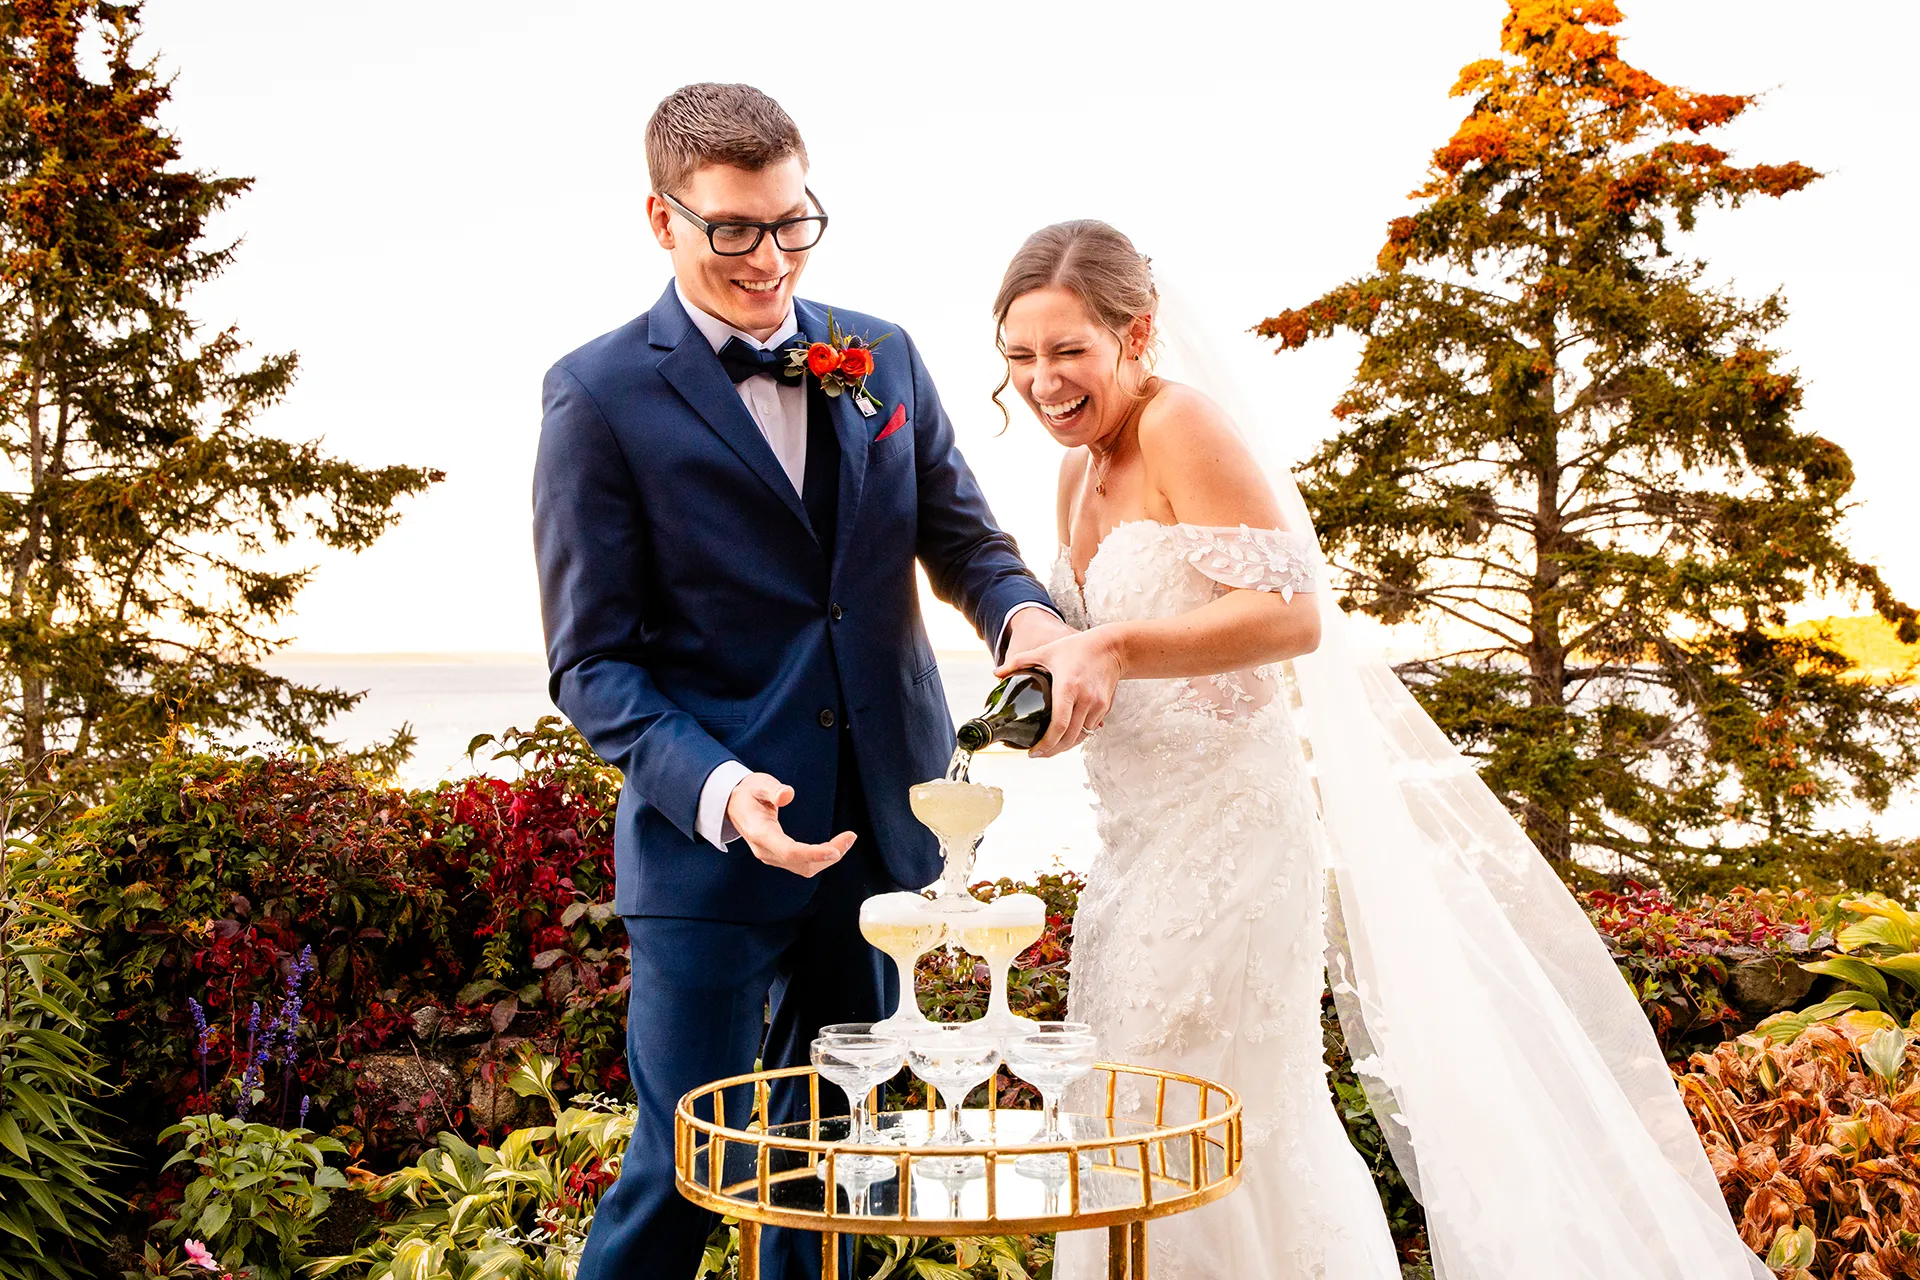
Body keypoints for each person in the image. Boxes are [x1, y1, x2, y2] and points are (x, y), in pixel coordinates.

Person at [992, 220, 1771, 1279]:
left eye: (1066, 349)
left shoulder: (1185, 427)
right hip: (1133, 852)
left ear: (1136, 333)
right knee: (1129, 1103)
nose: (1042, 379)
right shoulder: (1077, 476)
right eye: (1019, 355)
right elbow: (1112, 664)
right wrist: (1064, 693)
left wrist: (1116, 642)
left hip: (1232, 846)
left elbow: (1291, 616)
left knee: (1209, 1116)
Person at [531, 84, 1067, 1280]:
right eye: (732, 229)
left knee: (842, 1175)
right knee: (683, 1167)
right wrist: (722, 790)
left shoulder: (884, 355)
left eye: (791, 223)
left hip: (884, 832)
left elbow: (967, 544)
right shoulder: (597, 394)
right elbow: (592, 663)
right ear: (660, 219)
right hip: (707, 850)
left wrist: (1023, 614)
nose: (768, 258)